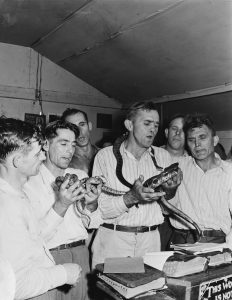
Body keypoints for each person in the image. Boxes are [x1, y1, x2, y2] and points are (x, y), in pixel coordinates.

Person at [91, 101, 182, 267]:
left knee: (148, 291)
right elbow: (100, 210)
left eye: (155, 124)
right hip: (116, 242)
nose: (153, 129)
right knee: (114, 290)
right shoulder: (105, 157)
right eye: (146, 123)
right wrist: (132, 197)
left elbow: (168, 210)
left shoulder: (162, 156)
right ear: (129, 125)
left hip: (150, 242)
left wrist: (171, 191)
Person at [0, 118, 82, 300]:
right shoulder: (7, 206)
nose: (44, 157)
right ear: (18, 161)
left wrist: (62, 205)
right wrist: (63, 273)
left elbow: (35, 238)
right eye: (37, 154)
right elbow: (15, 285)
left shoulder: (16, 195)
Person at [24, 120, 102, 300]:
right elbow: (34, 238)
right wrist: (62, 204)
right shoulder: (29, 181)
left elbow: (94, 223)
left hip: (81, 255)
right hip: (47, 259)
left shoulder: (81, 176)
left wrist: (92, 204)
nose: (70, 150)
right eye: (63, 143)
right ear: (45, 144)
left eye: (73, 144)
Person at [168, 113, 232, 246]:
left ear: (214, 140)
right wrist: (170, 191)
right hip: (182, 240)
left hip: (218, 242)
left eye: (202, 137)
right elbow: (166, 208)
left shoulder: (229, 172)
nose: (197, 144)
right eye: (191, 140)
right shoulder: (178, 167)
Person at [159, 114, 189, 250]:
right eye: (174, 129)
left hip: (182, 226)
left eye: (183, 130)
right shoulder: (151, 157)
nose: (178, 133)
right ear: (166, 132)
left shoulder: (193, 161)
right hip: (157, 223)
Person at [61, 108, 99, 176]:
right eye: (73, 127)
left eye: (82, 124)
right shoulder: (66, 162)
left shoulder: (104, 155)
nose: (80, 131)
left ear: (89, 126)